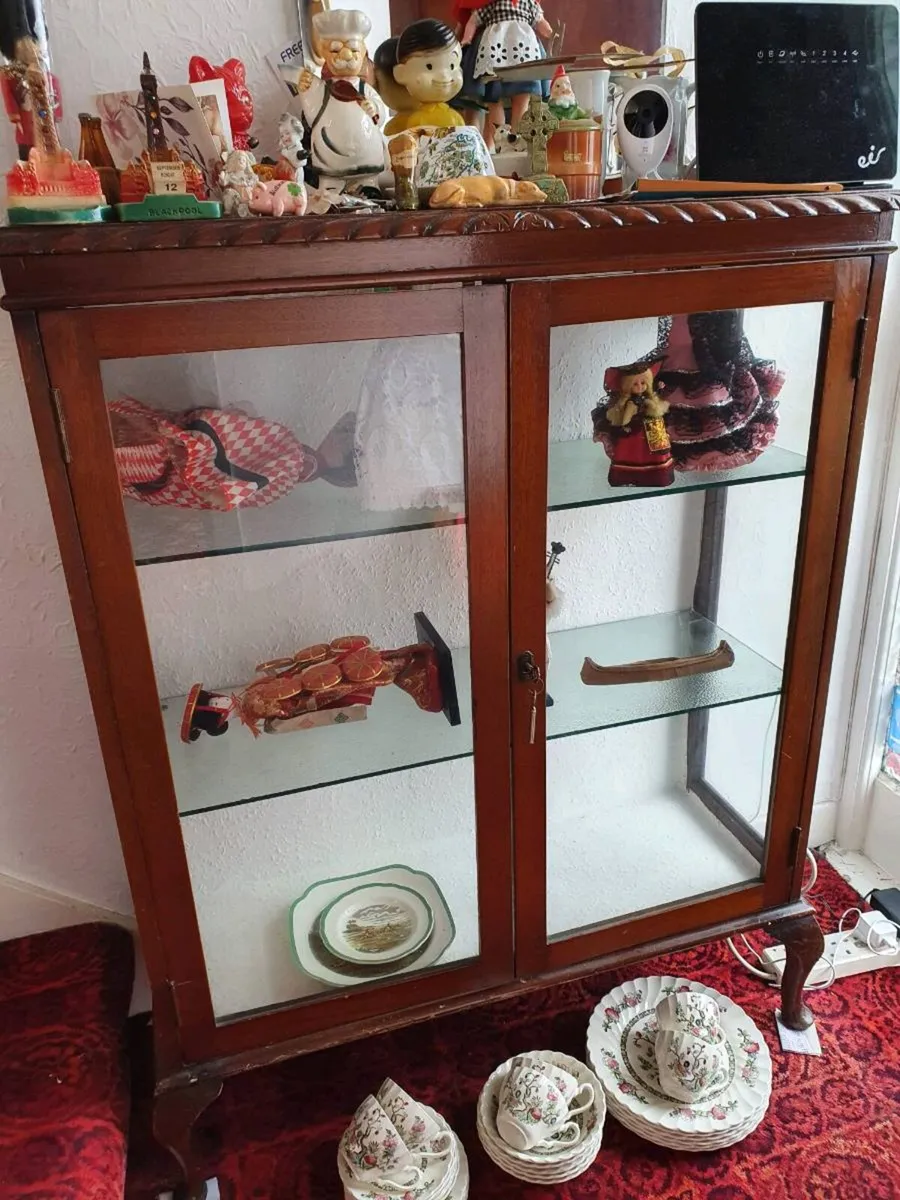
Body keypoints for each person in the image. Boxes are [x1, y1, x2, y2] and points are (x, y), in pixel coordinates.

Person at [296, 8, 387, 192]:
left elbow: (381, 114)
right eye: (336, 50)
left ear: (363, 54)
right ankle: (330, 190)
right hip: (330, 155)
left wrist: (375, 108)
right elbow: (312, 114)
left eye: (353, 50)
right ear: (325, 54)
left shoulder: (365, 89)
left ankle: (369, 186)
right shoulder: (323, 89)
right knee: (330, 186)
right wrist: (304, 89)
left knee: (368, 186)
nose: (346, 56)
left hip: (366, 155)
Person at [462, 0, 553, 149]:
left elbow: (540, 21)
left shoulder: (529, 3)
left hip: (524, 53)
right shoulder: (491, 4)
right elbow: (474, 21)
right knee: (494, 99)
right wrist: (467, 39)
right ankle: (499, 145)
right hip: (495, 54)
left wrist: (550, 33)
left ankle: (517, 142)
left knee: (522, 97)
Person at [374, 19, 465, 135]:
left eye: (452, 66)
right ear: (401, 74)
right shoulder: (416, 121)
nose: (444, 75)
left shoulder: (454, 116)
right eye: (429, 67)